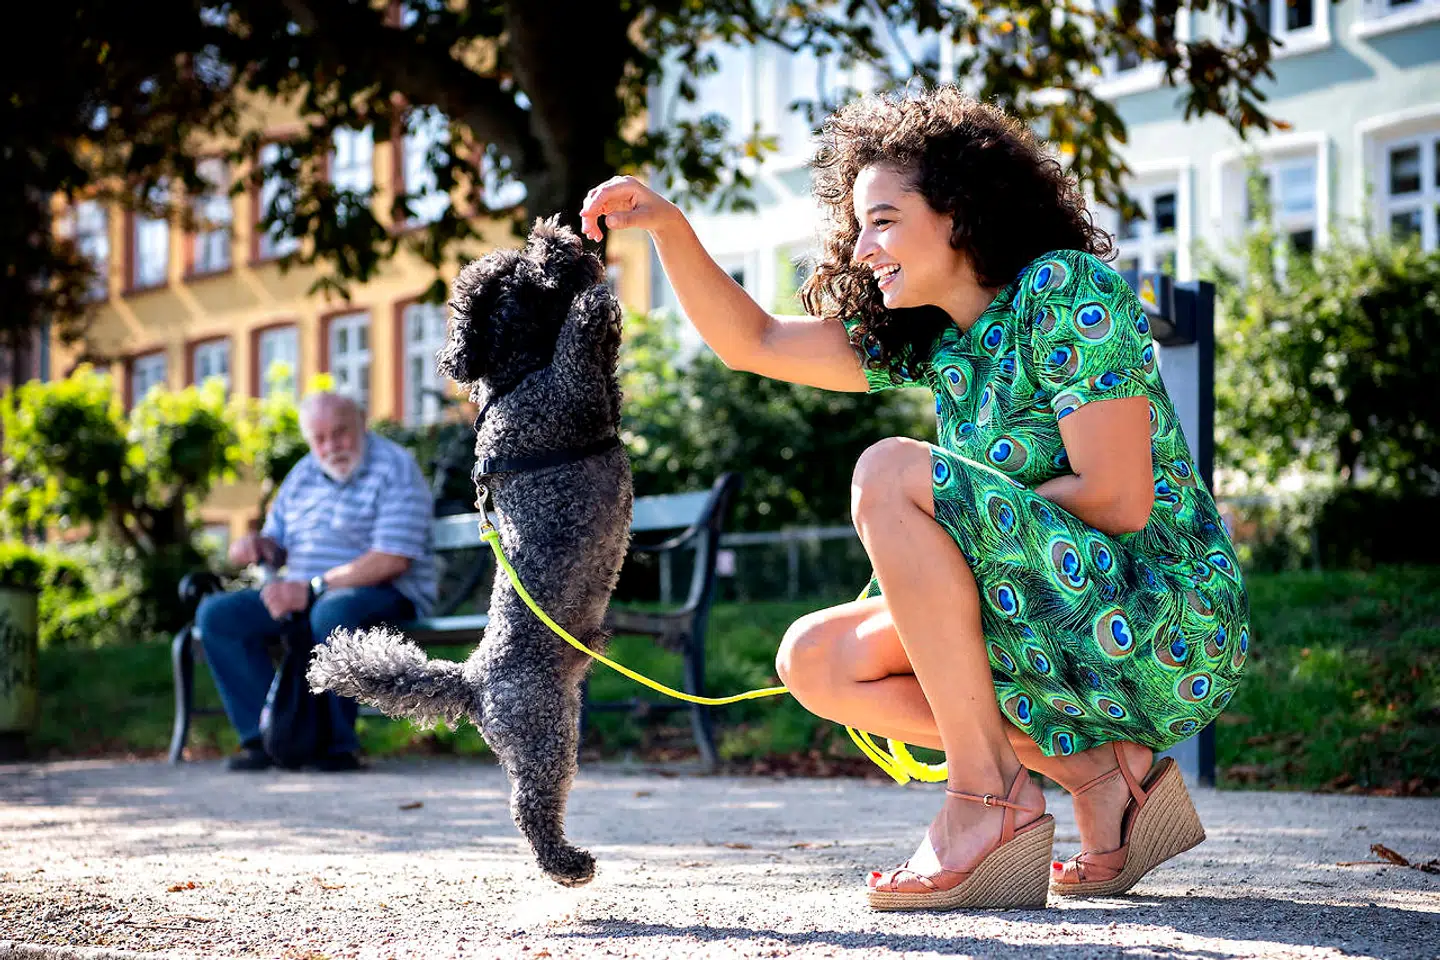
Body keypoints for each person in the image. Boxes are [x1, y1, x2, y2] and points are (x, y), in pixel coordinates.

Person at [578, 86, 1248, 910]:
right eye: (858, 225)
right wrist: (669, 229)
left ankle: (986, 803)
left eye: (884, 221)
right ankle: (1096, 772)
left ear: (961, 212)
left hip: (1162, 621)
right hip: (1046, 615)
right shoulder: (943, 346)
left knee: (891, 472)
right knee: (814, 661)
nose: (862, 249)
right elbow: (752, 342)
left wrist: (940, 529)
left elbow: (1116, 499)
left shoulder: (1065, 289)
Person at [197, 391, 438, 772]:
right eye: (319, 438)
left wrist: (311, 588)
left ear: (362, 421)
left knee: (332, 610)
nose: (330, 447)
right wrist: (263, 546)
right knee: (217, 615)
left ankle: (336, 746)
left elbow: (392, 559)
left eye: (340, 433)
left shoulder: (395, 466)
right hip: (304, 592)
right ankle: (269, 738)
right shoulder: (303, 473)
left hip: (384, 592)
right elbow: (279, 541)